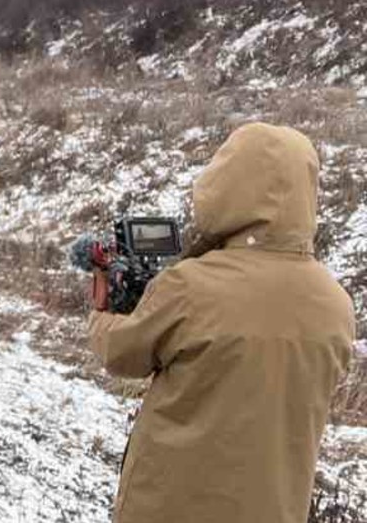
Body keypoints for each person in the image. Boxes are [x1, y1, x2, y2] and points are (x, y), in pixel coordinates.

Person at [87, 122, 356, 523]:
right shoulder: (336, 305)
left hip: (172, 507)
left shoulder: (190, 286)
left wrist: (100, 313)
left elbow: (121, 353)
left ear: (226, 186)